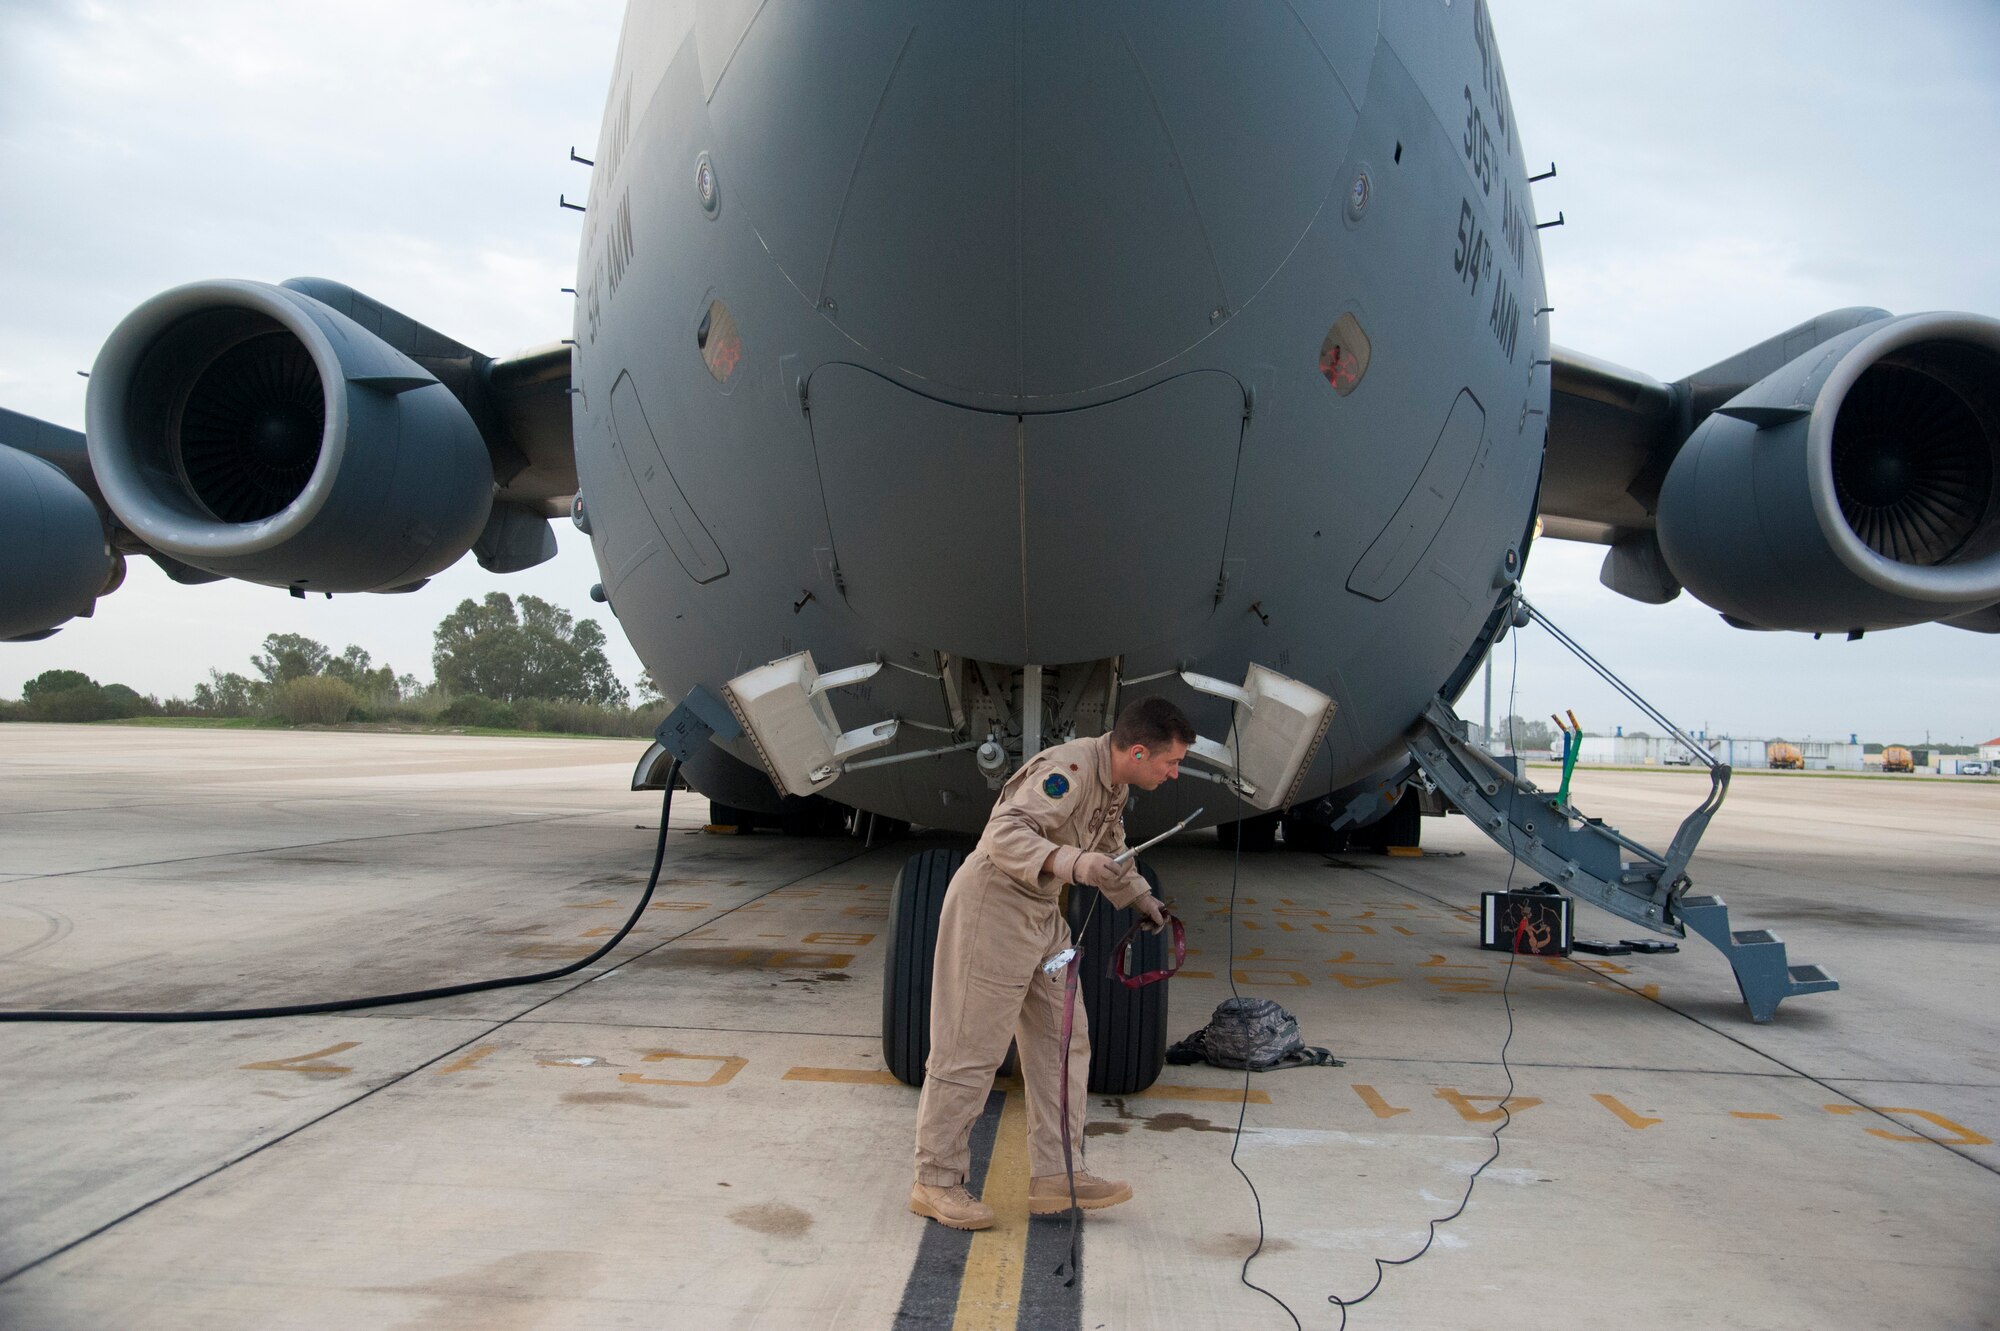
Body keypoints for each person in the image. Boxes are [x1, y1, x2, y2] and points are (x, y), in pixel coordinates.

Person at [909, 695, 1193, 1230]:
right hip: (993, 907)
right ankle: (936, 1180)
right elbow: (1004, 833)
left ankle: (1057, 1175)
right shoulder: (1068, 770)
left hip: (1042, 917)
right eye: (1170, 762)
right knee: (970, 1049)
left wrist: (1139, 897)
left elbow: (1111, 844)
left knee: (1063, 1042)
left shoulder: (1115, 783)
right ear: (1136, 751)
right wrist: (1074, 863)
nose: (1174, 773)